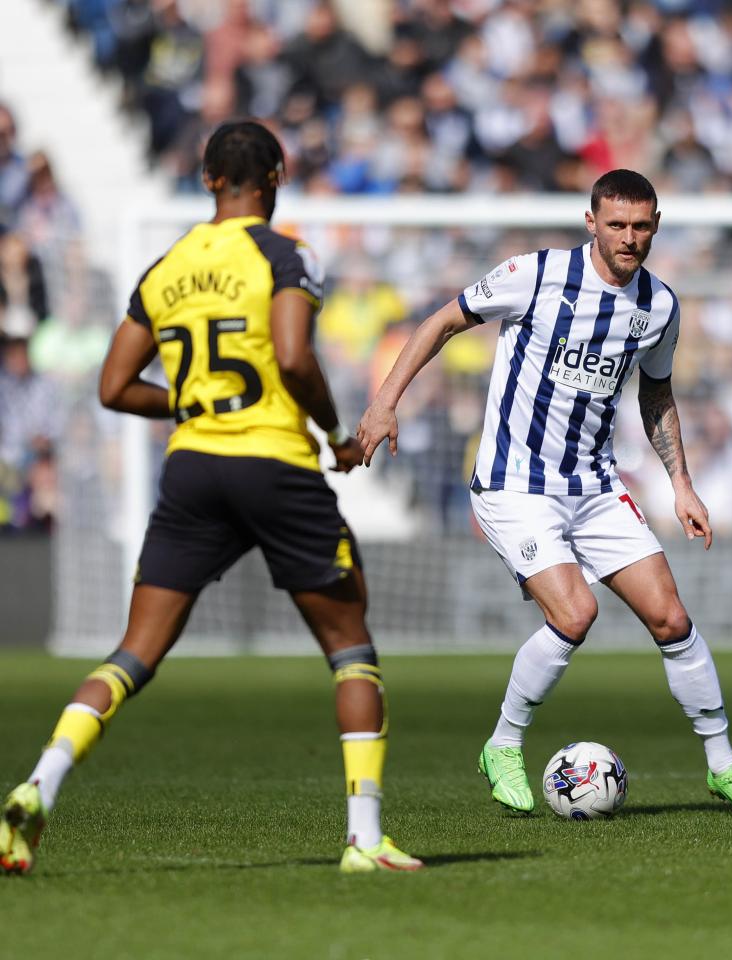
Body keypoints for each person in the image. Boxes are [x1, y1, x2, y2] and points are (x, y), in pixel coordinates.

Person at [0, 120, 421, 875]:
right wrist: (334, 431)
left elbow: (113, 387)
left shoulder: (165, 268)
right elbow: (292, 356)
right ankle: (364, 839)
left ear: (206, 180)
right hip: (274, 463)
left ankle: (38, 785)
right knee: (351, 646)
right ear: (277, 177)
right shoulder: (285, 254)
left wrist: (195, 403)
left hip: (192, 466)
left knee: (134, 652)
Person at [357, 169, 732, 818]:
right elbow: (441, 323)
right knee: (575, 614)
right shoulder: (535, 274)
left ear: (657, 225)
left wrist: (683, 485)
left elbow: (657, 392)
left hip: (595, 485)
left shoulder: (659, 306)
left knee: (671, 618)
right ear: (592, 223)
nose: (629, 238)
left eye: (641, 226)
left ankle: (723, 768)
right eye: (616, 225)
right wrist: (385, 403)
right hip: (513, 484)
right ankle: (502, 744)